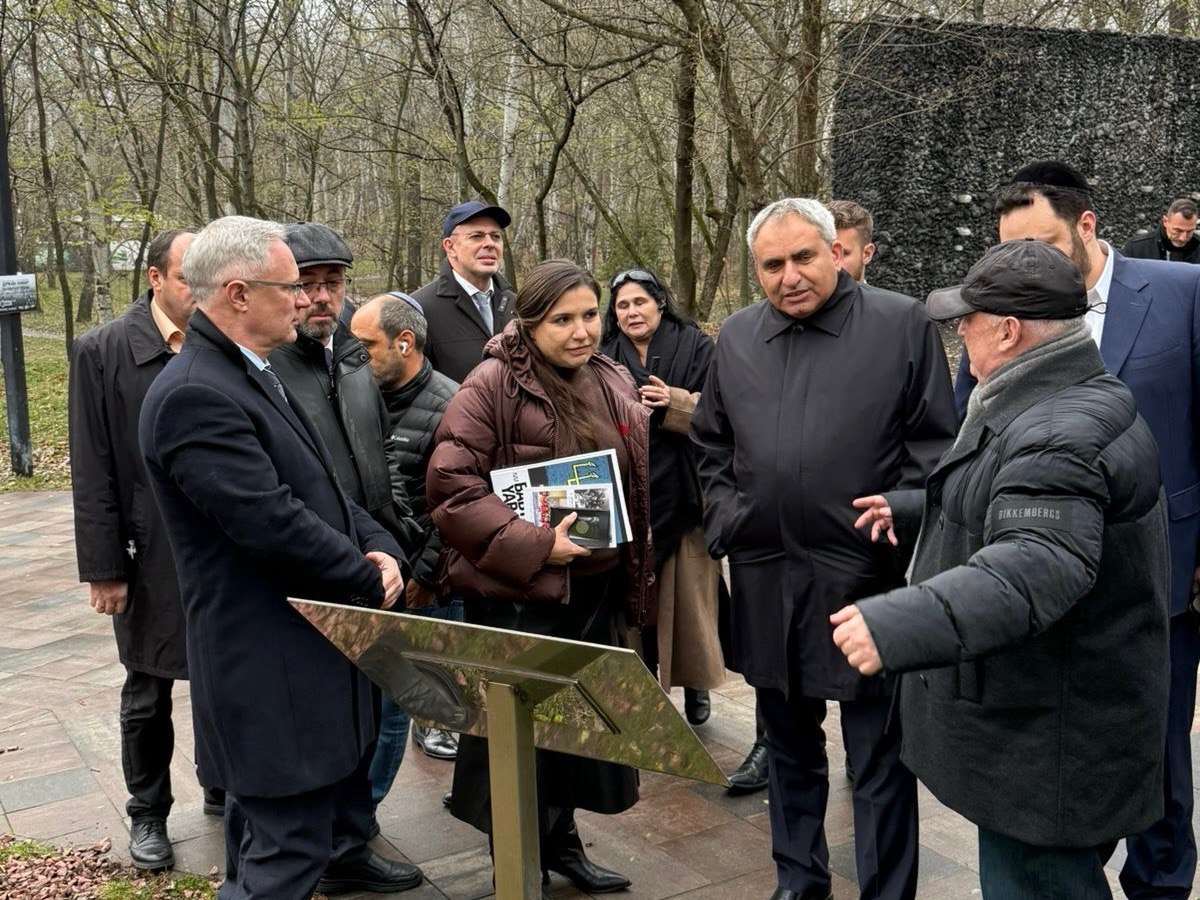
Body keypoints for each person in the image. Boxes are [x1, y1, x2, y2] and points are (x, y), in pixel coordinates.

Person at [836, 238, 1170, 898]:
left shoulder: (1057, 430)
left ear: (1009, 330)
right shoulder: (1063, 397)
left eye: (968, 319)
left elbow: (1036, 564)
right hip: (1058, 729)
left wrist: (897, 622)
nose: (960, 332)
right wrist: (916, 508)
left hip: (1047, 747)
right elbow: (1029, 501)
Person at [137, 215, 422, 899]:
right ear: (238, 293)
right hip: (272, 678)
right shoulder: (195, 394)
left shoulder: (250, 372)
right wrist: (363, 575)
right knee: (285, 860)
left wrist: (379, 545)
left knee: (265, 850)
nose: (304, 300)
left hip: (297, 669)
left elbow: (320, 486)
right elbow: (270, 523)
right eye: (289, 287)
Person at [691, 198, 957, 900]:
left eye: (803, 257)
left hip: (868, 576)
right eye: (772, 265)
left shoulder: (902, 325)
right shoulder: (739, 338)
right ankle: (798, 880)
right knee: (788, 747)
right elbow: (711, 444)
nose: (790, 277)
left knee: (878, 754)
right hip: (767, 574)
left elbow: (935, 445)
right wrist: (728, 519)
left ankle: (887, 891)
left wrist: (900, 509)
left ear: (836, 250)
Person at [955, 161, 1200, 899]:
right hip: (1043, 581)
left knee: (1158, 755)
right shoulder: (1003, 310)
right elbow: (976, 422)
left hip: (1162, 580)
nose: (1022, 263)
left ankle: (1161, 883)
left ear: (1086, 225)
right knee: (1065, 759)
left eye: (1041, 244)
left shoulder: (1184, 293)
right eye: (1006, 250)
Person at [427, 258, 652, 894]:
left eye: (588, 316)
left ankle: (564, 845)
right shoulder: (490, 383)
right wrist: (533, 545)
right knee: (517, 741)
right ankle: (516, 862)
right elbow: (450, 487)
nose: (581, 331)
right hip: (522, 597)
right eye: (563, 320)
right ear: (528, 322)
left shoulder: (609, 375)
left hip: (594, 589)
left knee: (576, 732)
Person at [69, 229, 223, 870]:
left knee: (224, 674)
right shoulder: (103, 350)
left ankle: (224, 786)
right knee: (148, 687)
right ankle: (149, 813)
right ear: (155, 278)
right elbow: (92, 466)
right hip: (147, 548)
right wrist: (105, 569)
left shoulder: (221, 340)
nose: (201, 289)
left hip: (218, 542)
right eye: (188, 276)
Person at [350, 291, 462, 812]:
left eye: (364, 345)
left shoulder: (451, 404)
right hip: (380, 573)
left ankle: (361, 820)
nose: (353, 355)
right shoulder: (359, 394)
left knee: (402, 704)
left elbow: (458, 506)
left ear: (404, 342)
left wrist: (422, 575)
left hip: (428, 583)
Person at [598, 268, 725, 728]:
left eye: (640, 302)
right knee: (636, 604)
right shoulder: (603, 355)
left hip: (686, 493)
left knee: (687, 603)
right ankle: (643, 688)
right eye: (622, 306)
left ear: (659, 303)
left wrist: (673, 402)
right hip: (631, 493)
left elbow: (721, 410)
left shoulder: (696, 346)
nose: (632, 312)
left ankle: (696, 688)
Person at [268, 222, 414, 547]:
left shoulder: (355, 357)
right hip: (319, 557)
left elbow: (383, 447)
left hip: (383, 550)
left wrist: (399, 524)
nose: (322, 297)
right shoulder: (266, 371)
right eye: (306, 284)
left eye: (333, 283)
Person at [413, 200, 517, 383]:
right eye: (477, 236)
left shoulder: (517, 305)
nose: (490, 244)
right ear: (450, 247)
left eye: (496, 236)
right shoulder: (420, 309)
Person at [1122, 198, 1200, 263]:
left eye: (1189, 231)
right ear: (1165, 221)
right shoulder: (1136, 248)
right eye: (1178, 230)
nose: (1183, 238)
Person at [829, 199, 876, 282]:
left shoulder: (884, 295)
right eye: (826, 253)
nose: (832, 263)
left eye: (843, 253)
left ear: (867, 254)